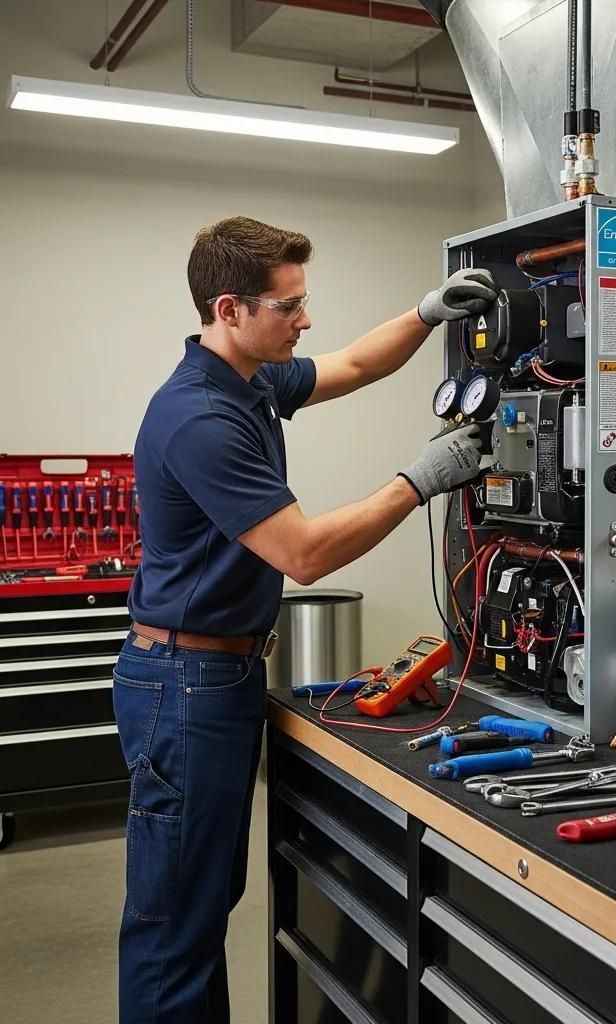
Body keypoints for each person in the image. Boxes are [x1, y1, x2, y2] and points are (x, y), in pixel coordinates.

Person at [113, 215, 496, 1022]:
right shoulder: (199, 419)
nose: (304, 319)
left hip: (217, 673)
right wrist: (419, 480)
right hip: (185, 685)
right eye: (287, 306)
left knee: (205, 900)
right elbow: (305, 554)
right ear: (229, 309)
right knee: (173, 921)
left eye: (302, 301)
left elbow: (355, 363)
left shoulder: (248, 379)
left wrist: (428, 313)